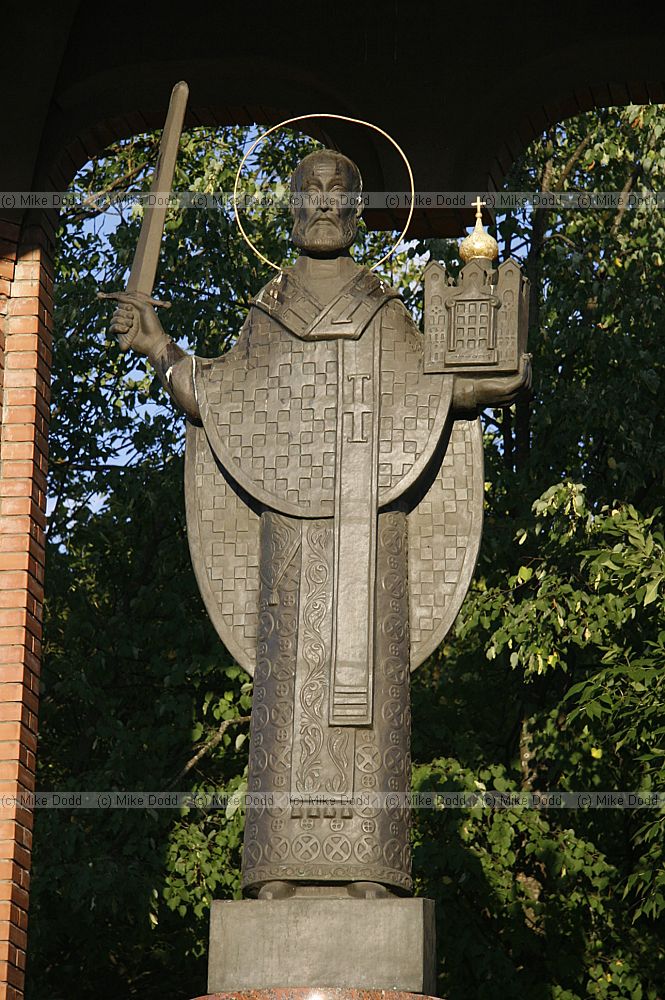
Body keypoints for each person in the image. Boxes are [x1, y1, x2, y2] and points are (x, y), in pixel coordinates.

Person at [110, 149, 530, 899]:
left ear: (361, 211)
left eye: (341, 193)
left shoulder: (385, 308)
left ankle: (372, 868)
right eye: (311, 192)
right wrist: (160, 349)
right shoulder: (267, 310)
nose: (327, 204)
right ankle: (277, 868)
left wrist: (484, 384)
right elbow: (225, 400)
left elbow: (432, 392)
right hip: (290, 534)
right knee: (287, 685)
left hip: (374, 526)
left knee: (368, 688)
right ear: (292, 208)